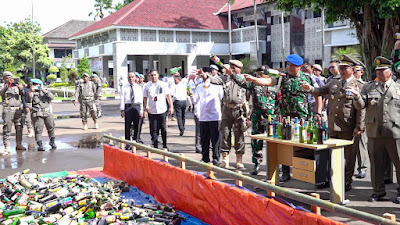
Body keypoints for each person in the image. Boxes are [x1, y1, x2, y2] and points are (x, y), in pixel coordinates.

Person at [246, 54, 323, 182]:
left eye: (292, 66)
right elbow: (268, 81)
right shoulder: (282, 78)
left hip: (303, 118)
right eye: (288, 65)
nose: (289, 68)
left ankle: (305, 173)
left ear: (299, 67)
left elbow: (318, 94)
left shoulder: (308, 78)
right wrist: (254, 80)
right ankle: (285, 173)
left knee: (304, 146)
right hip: (285, 118)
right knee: (284, 146)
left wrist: (318, 112)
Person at [302, 54, 365, 191]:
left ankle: (347, 181)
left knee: (349, 157)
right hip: (333, 126)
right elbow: (320, 91)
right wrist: (310, 89)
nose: (341, 71)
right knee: (331, 156)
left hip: (349, 127)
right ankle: (332, 179)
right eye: (340, 68)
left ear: (353, 69)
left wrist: (359, 126)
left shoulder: (359, 85)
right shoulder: (333, 82)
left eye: (345, 68)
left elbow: (362, 109)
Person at [348, 56, 400, 203]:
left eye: (382, 70)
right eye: (377, 70)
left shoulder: (398, 88)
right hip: (374, 131)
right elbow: (361, 105)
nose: (379, 73)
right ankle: (378, 191)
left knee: (399, 162)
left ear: (390, 71)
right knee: (375, 164)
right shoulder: (369, 87)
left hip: (395, 131)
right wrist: (357, 96)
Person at [230, 66, 277, 175]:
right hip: (257, 116)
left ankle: (276, 165)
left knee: (274, 142)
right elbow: (241, 82)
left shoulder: (274, 84)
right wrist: (232, 74)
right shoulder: (253, 84)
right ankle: (256, 164)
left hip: (272, 117)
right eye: (258, 74)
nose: (259, 76)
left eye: (262, 74)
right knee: (256, 141)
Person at [219, 60, 249, 169]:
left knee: (239, 134)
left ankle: (239, 160)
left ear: (239, 69)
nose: (231, 69)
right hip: (226, 110)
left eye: (234, 67)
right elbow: (213, 79)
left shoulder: (244, 80)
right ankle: (225, 159)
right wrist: (205, 76)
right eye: (231, 67)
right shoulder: (225, 78)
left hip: (239, 110)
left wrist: (248, 114)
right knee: (225, 133)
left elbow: (250, 96)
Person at [191, 67, 224, 165]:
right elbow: (195, 100)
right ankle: (205, 157)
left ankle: (216, 157)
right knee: (204, 138)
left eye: (205, 74)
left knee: (216, 139)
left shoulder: (217, 86)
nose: (203, 76)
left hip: (215, 116)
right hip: (203, 116)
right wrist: (190, 94)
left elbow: (222, 98)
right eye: (202, 75)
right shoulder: (199, 87)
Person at [143, 70, 174, 149]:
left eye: (155, 75)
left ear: (158, 75)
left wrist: (171, 106)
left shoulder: (163, 84)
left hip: (162, 109)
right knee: (154, 129)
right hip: (152, 110)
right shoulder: (147, 86)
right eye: (152, 75)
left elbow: (168, 96)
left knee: (163, 128)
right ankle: (155, 144)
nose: (154, 77)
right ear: (149, 76)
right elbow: (145, 98)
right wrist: (144, 109)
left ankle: (164, 144)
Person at [0, 71, 26, 155]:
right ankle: (7, 147)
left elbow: (23, 94)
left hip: (18, 109)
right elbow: (2, 93)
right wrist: (7, 85)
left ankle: (19, 144)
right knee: (7, 128)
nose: (10, 79)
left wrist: (20, 88)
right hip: (8, 109)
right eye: (7, 78)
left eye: (11, 77)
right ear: (4, 79)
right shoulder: (3, 86)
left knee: (19, 127)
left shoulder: (15, 87)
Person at [28, 79, 56, 151]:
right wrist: (31, 92)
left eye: (37, 85)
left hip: (47, 113)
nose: (35, 86)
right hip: (37, 114)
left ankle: (52, 142)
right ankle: (40, 144)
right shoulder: (31, 92)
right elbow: (28, 101)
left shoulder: (46, 90)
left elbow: (52, 97)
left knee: (51, 127)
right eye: (34, 84)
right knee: (38, 129)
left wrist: (44, 91)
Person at [352, 61, 368, 179]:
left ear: (361, 72)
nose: (354, 72)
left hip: (360, 119)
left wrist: (361, 124)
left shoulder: (364, 85)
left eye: (356, 71)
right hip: (349, 119)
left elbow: (363, 107)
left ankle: (362, 168)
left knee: (361, 145)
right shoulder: (348, 83)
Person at [120, 72, 143, 149]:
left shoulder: (138, 87)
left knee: (137, 125)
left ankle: (135, 142)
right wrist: (122, 109)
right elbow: (122, 98)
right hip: (128, 107)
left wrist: (141, 110)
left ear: (135, 78)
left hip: (136, 106)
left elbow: (141, 99)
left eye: (132, 77)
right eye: (129, 77)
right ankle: (127, 143)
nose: (131, 79)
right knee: (127, 126)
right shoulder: (124, 87)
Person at [135, 73, 145, 144]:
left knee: (139, 123)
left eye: (137, 78)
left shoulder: (143, 86)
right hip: (132, 106)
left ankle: (137, 137)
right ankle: (133, 137)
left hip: (140, 106)